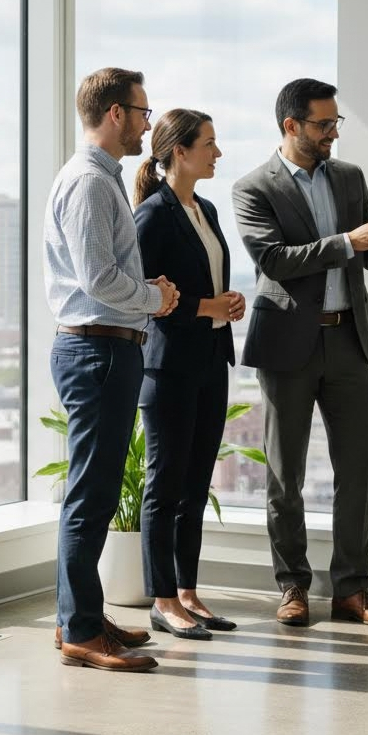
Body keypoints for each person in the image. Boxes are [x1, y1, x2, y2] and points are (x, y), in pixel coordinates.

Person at [232, 78, 368, 628]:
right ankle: (292, 587)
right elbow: (274, 261)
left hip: (349, 339)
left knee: (358, 470)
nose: (333, 133)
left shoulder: (349, 178)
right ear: (292, 125)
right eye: (323, 124)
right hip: (286, 345)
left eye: (336, 123)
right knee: (285, 475)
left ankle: (353, 591)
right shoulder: (253, 187)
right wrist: (348, 241)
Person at [44, 67, 179, 671]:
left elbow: (101, 272)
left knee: (93, 492)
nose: (148, 124)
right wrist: (154, 297)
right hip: (97, 350)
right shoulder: (90, 183)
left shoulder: (100, 179)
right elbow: (97, 278)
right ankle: (80, 630)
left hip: (105, 347)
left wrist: (146, 294)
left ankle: (80, 616)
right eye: (143, 112)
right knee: (91, 495)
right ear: (116, 113)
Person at [132, 109, 245, 639]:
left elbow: (207, 281)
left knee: (196, 484)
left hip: (210, 361)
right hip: (168, 367)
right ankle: (161, 600)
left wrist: (227, 303)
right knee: (165, 486)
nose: (217, 153)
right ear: (179, 151)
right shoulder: (152, 215)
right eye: (209, 144)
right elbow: (143, 297)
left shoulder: (206, 209)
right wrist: (206, 307)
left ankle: (187, 592)